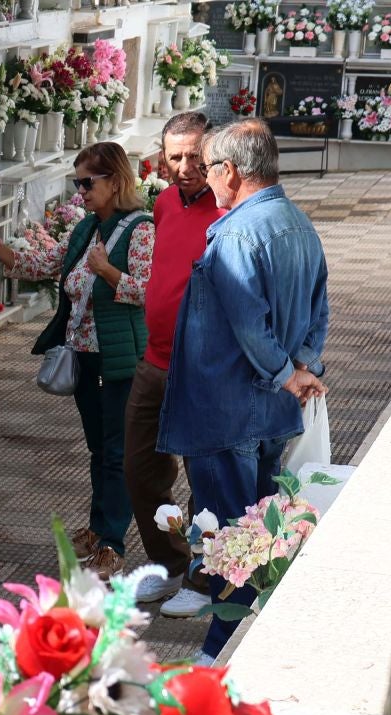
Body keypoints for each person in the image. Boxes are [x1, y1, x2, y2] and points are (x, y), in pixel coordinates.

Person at [160, 119, 328, 662]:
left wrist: (287, 371)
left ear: (229, 170)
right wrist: (302, 365)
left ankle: (219, 647)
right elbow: (321, 309)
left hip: (225, 410)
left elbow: (246, 320)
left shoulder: (235, 231)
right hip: (270, 409)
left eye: (209, 168)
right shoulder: (299, 223)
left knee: (227, 534)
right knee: (257, 528)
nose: (204, 180)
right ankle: (246, 631)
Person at [0, 142, 155, 575]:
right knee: (99, 448)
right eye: (77, 183)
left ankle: (113, 543)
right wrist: (3, 254)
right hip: (85, 358)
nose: (80, 191)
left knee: (116, 451)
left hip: (120, 358)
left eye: (87, 183)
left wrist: (109, 272)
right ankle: (100, 529)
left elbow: (149, 293)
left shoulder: (140, 230)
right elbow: (49, 262)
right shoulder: (86, 228)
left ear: (115, 181)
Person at [124, 113, 226, 614]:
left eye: (194, 156)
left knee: (204, 476)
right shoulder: (163, 203)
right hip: (154, 360)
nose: (185, 167)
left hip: (203, 370)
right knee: (141, 472)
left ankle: (203, 579)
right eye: (175, 156)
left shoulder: (228, 208)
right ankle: (166, 565)